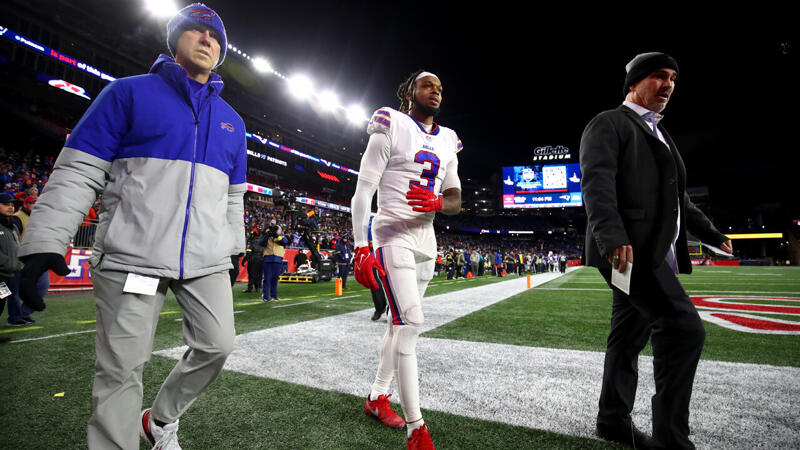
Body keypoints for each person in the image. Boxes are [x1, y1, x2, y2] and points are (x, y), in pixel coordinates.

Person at [17, 4, 246, 449]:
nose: (206, 40)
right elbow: (79, 172)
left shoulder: (233, 122)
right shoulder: (126, 94)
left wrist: (233, 249)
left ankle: (160, 421)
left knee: (218, 345)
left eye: (214, 37)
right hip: (133, 257)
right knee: (122, 370)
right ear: (174, 40)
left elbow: (233, 198)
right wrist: (45, 240)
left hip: (205, 260)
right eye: (195, 31)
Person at [580, 52, 732, 449]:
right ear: (634, 82)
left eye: (674, 80)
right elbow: (597, 183)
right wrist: (612, 237)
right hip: (633, 252)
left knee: (629, 335)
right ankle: (671, 439)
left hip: (650, 250)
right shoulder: (609, 122)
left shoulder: (659, 132)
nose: (668, 85)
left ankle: (612, 420)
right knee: (684, 330)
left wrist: (712, 234)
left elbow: (678, 197)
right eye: (660, 77)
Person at [350, 70, 462, 449]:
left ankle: (377, 397)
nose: (436, 91)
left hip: (425, 240)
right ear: (410, 91)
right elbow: (363, 190)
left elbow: (454, 198)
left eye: (440, 88)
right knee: (411, 323)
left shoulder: (448, 139)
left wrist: (438, 202)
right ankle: (418, 428)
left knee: (398, 328)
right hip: (391, 233)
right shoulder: (391, 121)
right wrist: (360, 245)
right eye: (428, 85)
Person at [0, 193, 24, 324]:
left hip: (8, 274)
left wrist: (18, 264)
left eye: (12, 205)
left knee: (1, 302)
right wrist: (11, 263)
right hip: (2, 273)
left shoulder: (13, 226)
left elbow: (16, 248)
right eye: (5, 204)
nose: (10, 207)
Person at [261, 223, 288, 302]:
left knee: (275, 279)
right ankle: (265, 296)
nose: (276, 230)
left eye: (277, 229)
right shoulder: (267, 238)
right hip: (268, 260)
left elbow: (285, 242)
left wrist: (275, 235)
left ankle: (274, 296)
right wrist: (267, 234)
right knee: (267, 279)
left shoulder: (282, 237)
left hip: (277, 260)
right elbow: (261, 243)